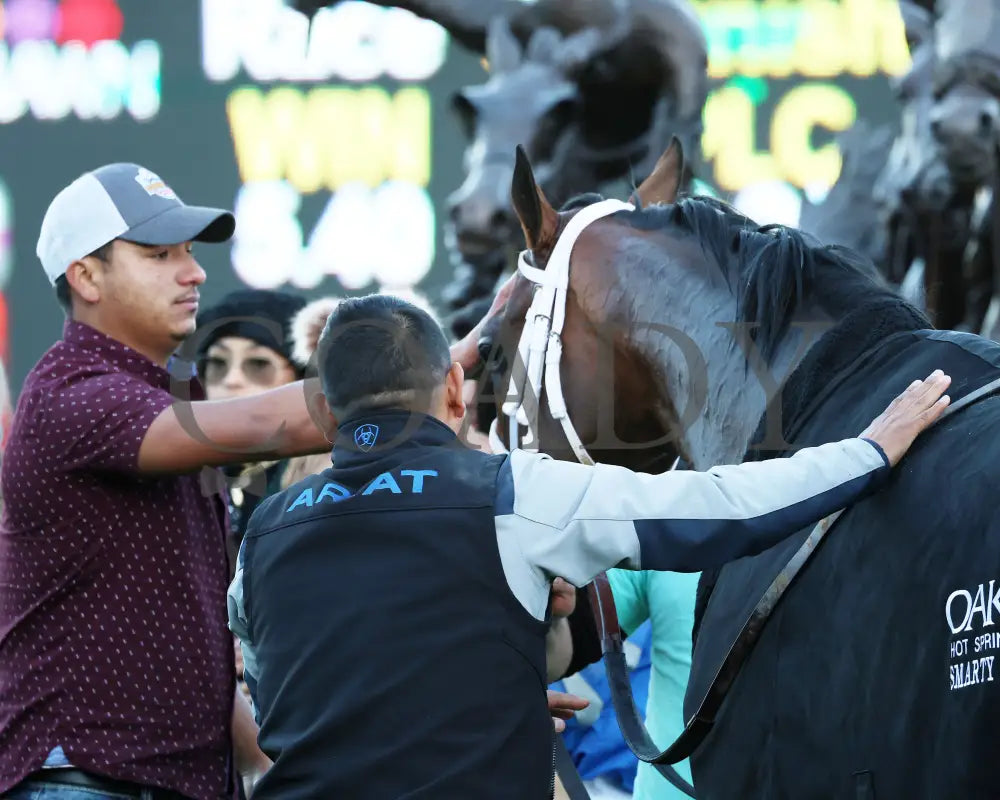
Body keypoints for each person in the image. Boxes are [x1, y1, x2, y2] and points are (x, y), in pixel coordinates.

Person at [227, 293, 951, 799]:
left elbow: (284, 700)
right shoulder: (512, 490)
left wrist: (469, 691)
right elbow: (719, 508)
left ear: (322, 408)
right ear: (455, 387)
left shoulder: (262, 534)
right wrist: (867, 452)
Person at [1, 162, 340, 800]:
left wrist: (275, 766)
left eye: (188, 252)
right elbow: (276, 423)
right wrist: (424, 373)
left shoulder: (156, 396)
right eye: (158, 254)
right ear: (86, 276)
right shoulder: (73, 390)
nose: (194, 272)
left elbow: (201, 660)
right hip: (82, 782)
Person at [194, 288, 308, 561]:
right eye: (218, 363)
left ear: (301, 379)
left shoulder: (328, 482)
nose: (232, 379)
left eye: (258, 363)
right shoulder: (176, 477)